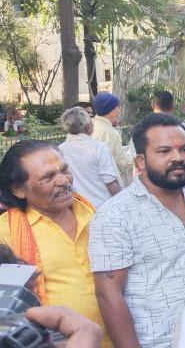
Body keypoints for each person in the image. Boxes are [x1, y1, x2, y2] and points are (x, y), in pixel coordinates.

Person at [89, 113, 185, 348]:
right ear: (140, 161)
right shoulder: (115, 215)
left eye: (184, 150)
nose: (178, 158)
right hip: (157, 342)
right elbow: (108, 294)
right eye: (164, 152)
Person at [0, 140, 111, 346]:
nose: (63, 181)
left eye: (64, 170)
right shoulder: (4, 233)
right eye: (48, 177)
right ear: (18, 189)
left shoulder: (99, 215)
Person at [58, 107, 121, 207]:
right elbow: (111, 182)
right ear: (88, 127)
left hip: (78, 207)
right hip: (103, 207)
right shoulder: (99, 148)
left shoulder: (60, 150)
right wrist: (122, 203)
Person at [91, 92, 132, 179]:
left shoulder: (89, 124)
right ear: (110, 109)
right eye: (118, 106)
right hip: (105, 180)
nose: (120, 109)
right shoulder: (110, 133)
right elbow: (122, 162)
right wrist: (138, 160)